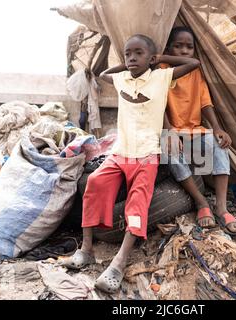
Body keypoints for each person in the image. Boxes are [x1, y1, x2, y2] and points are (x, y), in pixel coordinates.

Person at [62, 34, 201, 294]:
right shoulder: (122, 78)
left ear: (151, 57)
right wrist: (127, 65)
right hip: (121, 153)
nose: (132, 58)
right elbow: (103, 73)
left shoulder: (161, 77)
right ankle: (87, 250)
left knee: (138, 202)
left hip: (147, 154)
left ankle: (119, 262)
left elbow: (193, 63)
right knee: (93, 183)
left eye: (138, 53)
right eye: (128, 54)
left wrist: (160, 60)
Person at [162, 26, 236, 234]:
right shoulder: (162, 71)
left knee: (219, 144)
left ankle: (221, 207)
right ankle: (201, 202)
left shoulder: (196, 72)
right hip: (170, 130)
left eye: (189, 47)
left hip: (194, 130)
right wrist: (170, 130)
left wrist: (217, 128)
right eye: (178, 46)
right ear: (168, 48)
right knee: (168, 149)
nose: (183, 51)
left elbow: (205, 103)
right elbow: (158, 104)